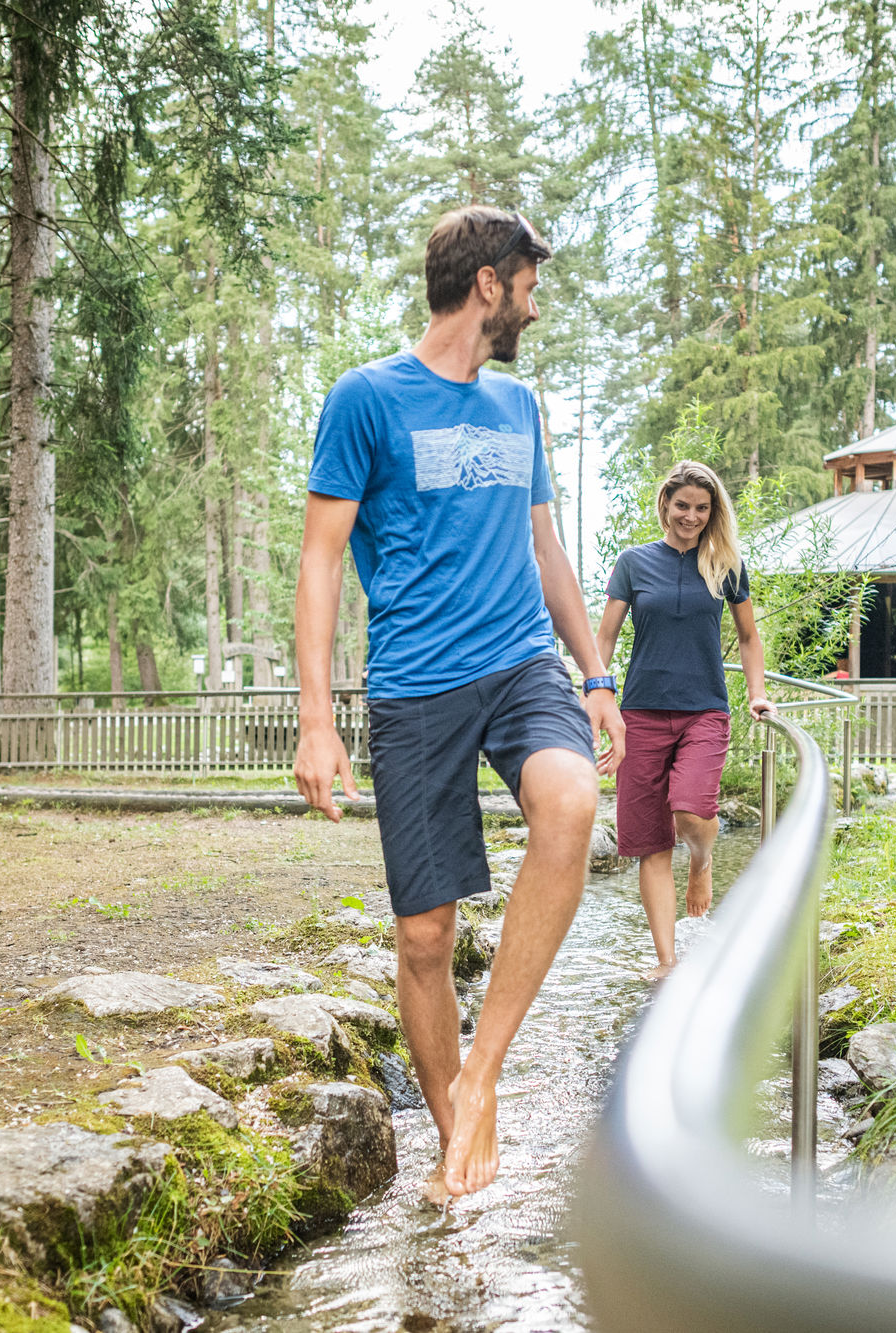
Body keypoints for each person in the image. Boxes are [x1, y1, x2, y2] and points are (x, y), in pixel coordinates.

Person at [292, 206, 624, 1205]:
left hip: (519, 663)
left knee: (568, 804)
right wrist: (317, 718)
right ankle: (455, 1141)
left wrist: (595, 674)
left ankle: (481, 1075)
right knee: (424, 938)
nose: (535, 300)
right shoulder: (364, 399)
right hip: (414, 687)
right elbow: (318, 562)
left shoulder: (519, 408)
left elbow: (546, 551)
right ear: (489, 282)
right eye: (529, 280)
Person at [594, 461, 772, 982]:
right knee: (649, 842)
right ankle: (667, 961)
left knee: (691, 809)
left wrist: (757, 694)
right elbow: (604, 636)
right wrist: (597, 688)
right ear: (665, 505)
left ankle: (701, 863)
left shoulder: (726, 565)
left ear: (712, 511)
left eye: (702, 507)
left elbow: (748, 638)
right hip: (640, 713)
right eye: (683, 506)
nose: (691, 516)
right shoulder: (633, 562)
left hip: (704, 711)